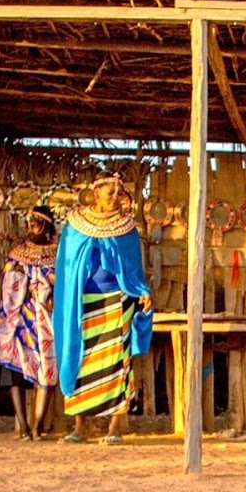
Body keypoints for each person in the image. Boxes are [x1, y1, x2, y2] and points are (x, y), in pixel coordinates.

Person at [53, 176, 152, 445]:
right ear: (96, 192)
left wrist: (142, 293)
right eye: (110, 192)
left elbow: (133, 269)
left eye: (119, 193)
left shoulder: (127, 228)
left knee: (119, 364)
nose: (115, 196)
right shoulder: (74, 227)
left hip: (118, 303)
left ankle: (114, 429)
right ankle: (79, 428)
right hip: (82, 304)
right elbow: (67, 267)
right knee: (79, 358)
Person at [0, 206, 59, 441]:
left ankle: (38, 425)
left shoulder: (58, 254)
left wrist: (40, 283)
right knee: (16, 371)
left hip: (45, 320)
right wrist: (22, 279)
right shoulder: (17, 253)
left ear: (47, 226)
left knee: (47, 368)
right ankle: (23, 424)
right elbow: (7, 283)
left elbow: (61, 283)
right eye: (28, 225)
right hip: (18, 319)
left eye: (36, 225)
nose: (30, 229)